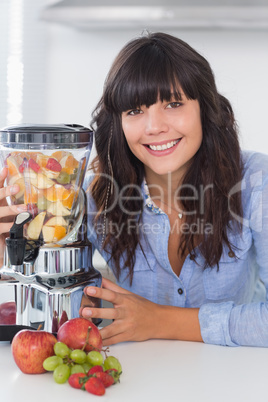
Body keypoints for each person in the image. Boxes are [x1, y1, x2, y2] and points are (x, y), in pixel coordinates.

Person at [1, 32, 268, 347]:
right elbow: (47, 294)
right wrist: (10, 247)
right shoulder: (94, 198)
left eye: (173, 103)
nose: (154, 126)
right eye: (135, 111)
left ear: (205, 109)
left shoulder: (254, 181)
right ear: (118, 124)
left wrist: (159, 320)